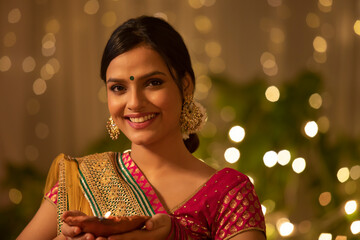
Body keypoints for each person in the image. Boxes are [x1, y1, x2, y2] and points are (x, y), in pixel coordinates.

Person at [18, 16, 266, 240]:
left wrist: (174, 235)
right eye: (118, 88)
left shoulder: (229, 195)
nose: (135, 103)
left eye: (153, 83)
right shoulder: (81, 180)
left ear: (186, 86)